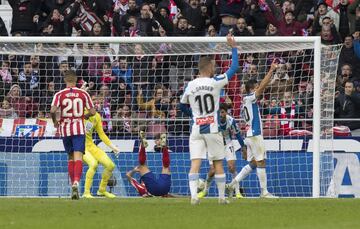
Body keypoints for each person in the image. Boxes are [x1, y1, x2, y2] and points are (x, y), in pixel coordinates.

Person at [179, 34, 239, 205]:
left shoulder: (191, 85)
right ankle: (221, 198)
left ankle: (193, 197)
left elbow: (181, 106)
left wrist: (193, 115)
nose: (215, 68)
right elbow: (234, 67)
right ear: (209, 67)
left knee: (195, 163)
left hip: (197, 128)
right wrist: (233, 47)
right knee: (218, 162)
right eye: (213, 66)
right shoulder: (215, 82)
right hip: (212, 128)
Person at [226, 60, 278, 198]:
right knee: (261, 161)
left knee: (254, 163)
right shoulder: (250, 98)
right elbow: (262, 87)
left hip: (249, 135)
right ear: (251, 89)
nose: (258, 88)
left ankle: (232, 184)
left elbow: (262, 87)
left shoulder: (246, 100)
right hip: (254, 134)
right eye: (256, 87)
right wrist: (271, 70)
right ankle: (264, 192)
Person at [50, 70, 96, 200]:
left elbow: (52, 110)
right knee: (78, 157)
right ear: (76, 80)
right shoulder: (83, 93)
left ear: (65, 80)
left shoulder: (59, 94)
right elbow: (93, 112)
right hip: (78, 129)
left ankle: (72, 186)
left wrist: (55, 122)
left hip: (65, 130)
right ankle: (76, 182)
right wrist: (84, 116)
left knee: (70, 158)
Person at [197, 103, 246, 199]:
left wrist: (243, 148)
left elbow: (238, 135)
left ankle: (237, 192)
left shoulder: (231, 120)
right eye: (219, 112)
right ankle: (205, 191)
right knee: (212, 170)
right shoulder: (213, 121)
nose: (221, 114)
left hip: (227, 144)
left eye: (223, 112)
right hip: (214, 145)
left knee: (232, 167)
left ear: (226, 112)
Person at [82, 110, 121, 199]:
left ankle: (101, 190)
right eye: (94, 100)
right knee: (93, 164)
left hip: (91, 145)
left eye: (98, 101)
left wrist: (113, 147)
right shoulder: (80, 110)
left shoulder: (97, 116)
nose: (97, 103)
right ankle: (86, 192)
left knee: (110, 165)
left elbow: (102, 134)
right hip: (80, 146)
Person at [126, 131, 171, 197]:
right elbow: (169, 195)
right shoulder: (143, 184)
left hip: (152, 190)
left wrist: (134, 170)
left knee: (142, 165)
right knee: (166, 166)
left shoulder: (140, 187)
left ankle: (143, 146)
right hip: (164, 189)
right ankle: (164, 147)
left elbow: (127, 175)